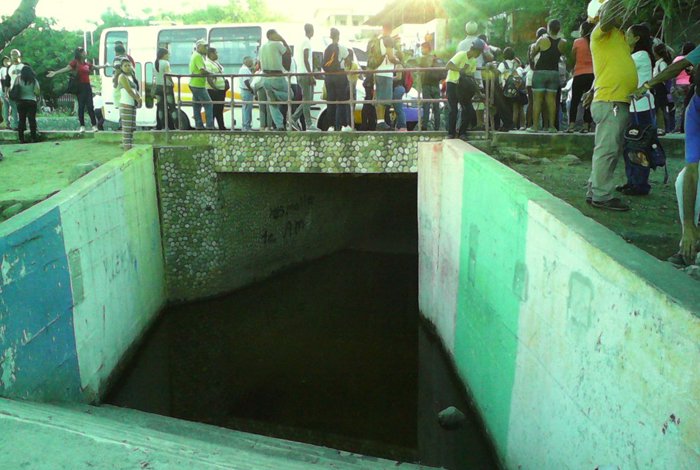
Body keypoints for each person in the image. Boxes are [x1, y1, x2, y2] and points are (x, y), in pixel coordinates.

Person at [633, 44, 700, 266]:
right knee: (684, 181)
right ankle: (690, 242)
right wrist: (689, 226)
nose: (691, 72)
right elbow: (692, 170)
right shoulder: (695, 109)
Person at [582, 0, 638, 211]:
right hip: (610, 100)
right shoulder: (600, 32)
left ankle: (594, 190)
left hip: (613, 99)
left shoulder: (617, 35)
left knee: (606, 149)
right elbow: (608, 16)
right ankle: (601, 195)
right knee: (608, 150)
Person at [618, 23, 656, 196]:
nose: (625, 37)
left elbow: (622, 67)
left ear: (637, 38)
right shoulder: (638, 55)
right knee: (631, 144)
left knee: (639, 145)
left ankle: (640, 184)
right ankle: (632, 181)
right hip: (635, 107)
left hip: (641, 108)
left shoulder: (640, 56)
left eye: (628, 34)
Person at [47, 47, 109, 132]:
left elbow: (96, 67)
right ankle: (82, 126)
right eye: (83, 52)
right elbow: (67, 68)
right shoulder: (75, 62)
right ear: (80, 53)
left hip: (87, 86)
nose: (85, 53)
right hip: (80, 87)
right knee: (81, 106)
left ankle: (94, 125)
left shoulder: (87, 64)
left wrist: (105, 66)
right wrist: (55, 72)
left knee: (90, 106)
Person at [529, 19, 567, 133]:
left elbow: (533, 54)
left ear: (548, 28)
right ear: (559, 29)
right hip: (554, 73)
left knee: (537, 100)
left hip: (540, 72)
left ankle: (535, 126)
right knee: (551, 101)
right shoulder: (563, 42)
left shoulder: (542, 39)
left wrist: (533, 50)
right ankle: (552, 127)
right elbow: (564, 56)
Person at [446, 38, 484, 139]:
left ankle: (462, 132)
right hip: (453, 83)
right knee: (453, 110)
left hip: (463, 87)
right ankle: (451, 133)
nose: (479, 55)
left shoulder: (473, 61)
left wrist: (478, 92)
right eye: (479, 52)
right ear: (474, 50)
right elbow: (448, 65)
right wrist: (460, 70)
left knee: (468, 109)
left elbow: (471, 77)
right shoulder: (461, 54)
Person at [259, 29, 292, 131]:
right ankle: (276, 95)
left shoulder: (262, 47)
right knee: (291, 95)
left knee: (272, 103)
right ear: (271, 35)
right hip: (277, 76)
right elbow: (289, 52)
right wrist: (282, 39)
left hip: (265, 78)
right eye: (276, 34)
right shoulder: (277, 44)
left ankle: (279, 126)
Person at [322, 28, 351, 131]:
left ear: (331, 36)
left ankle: (331, 125)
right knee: (341, 101)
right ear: (338, 36)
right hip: (339, 76)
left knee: (331, 101)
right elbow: (348, 62)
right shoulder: (342, 48)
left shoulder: (327, 49)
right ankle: (341, 125)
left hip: (329, 77)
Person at [290, 24, 318, 131]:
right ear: (312, 31)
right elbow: (306, 59)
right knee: (307, 100)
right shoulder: (306, 42)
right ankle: (309, 124)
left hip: (300, 73)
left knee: (308, 100)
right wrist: (311, 74)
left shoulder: (299, 42)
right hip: (305, 74)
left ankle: (294, 118)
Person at [374, 23, 401, 130]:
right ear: (391, 29)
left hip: (378, 71)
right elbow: (390, 56)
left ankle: (380, 122)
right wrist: (398, 61)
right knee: (384, 99)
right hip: (386, 72)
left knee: (380, 98)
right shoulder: (389, 40)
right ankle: (380, 123)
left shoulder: (380, 40)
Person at [569, 21, 595, 133]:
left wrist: (572, 68)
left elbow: (572, 57)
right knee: (589, 101)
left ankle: (571, 126)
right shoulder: (595, 42)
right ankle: (586, 126)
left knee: (574, 100)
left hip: (579, 74)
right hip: (593, 74)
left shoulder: (577, 42)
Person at [498, 47, 526, 130]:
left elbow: (498, 72)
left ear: (504, 56)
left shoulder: (503, 64)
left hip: (506, 89)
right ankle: (520, 125)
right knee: (517, 107)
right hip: (517, 89)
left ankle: (510, 125)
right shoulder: (517, 64)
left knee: (507, 108)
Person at [188, 39, 214, 130]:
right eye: (204, 46)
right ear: (198, 47)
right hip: (198, 85)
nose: (206, 48)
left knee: (197, 105)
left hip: (194, 83)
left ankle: (199, 125)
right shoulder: (198, 56)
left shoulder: (195, 55)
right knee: (209, 104)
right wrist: (211, 73)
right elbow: (202, 70)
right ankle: (210, 125)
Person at [671, 42, 696, 133]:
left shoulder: (678, 59)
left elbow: (673, 72)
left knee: (678, 107)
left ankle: (678, 127)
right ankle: (688, 126)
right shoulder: (692, 59)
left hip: (678, 85)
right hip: (690, 85)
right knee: (690, 107)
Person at [116, 59, 141, 150]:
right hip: (125, 104)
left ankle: (129, 146)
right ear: (121, 67)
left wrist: (138, 98)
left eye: (129, 65)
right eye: (125, 66)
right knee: (126, 129)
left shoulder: (132, 76)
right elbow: (129, 90)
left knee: (131, 128)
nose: (127, 67)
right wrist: (137, 98)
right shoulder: (122, 76)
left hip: (132, 104)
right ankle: (127, 147)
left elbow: (135, 89)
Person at [525, 27, 547, 128]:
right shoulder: (547, 47)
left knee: (531, 102)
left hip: (530, 75)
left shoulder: (531, 46)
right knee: (543, 103)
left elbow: (529, 61)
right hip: (541, 76)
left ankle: (528, 124)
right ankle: (545, 125)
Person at [419, 41, 443, 131]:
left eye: (422, 48)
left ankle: (424, 126)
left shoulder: (424, 59)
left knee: (426, 106)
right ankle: (437, 127)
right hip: (436, 85)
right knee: (436, 108)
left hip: (426, 85)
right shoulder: (436, 58)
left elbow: (418, 68)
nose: (421, 50)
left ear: (427, 48)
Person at [15, 65, 40, 143]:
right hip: (31, 101)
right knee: (32, 119)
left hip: (21, 102)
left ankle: (21, 139)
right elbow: (37, 92)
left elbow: (14, 89)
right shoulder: (33, 80)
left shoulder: (18, 79)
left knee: (21, 120)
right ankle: (33, 138)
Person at [652, 43, 673, 135]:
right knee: (659, 108)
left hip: (660, 87)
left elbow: (665, 76)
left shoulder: (662, 63)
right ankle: (662, 127)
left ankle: (664, 128)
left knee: (661, 109)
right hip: (657, 87)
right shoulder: (658, 63)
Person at [154, 47, 176, 130]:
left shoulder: (155, 63)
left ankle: (163, 126)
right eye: (168, 54)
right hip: (166, 87)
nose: (169, 56)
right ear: (164, 55)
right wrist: (172, 82)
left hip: (158, 87)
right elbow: (168, 75)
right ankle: (175, 125)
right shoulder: (166, 63)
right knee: (172, 107)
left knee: (160, 108)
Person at [206, 47, 228, 130]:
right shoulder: (208, 63)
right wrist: (214, 88)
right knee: (215, 109)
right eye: (216, 53)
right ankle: (211, 126)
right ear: (211, 54)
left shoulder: (216, 63)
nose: (217, 54)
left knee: (220, 109)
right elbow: (209, 77)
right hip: (213, 90)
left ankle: (221, 126)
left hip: (221, 89)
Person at [7, 49, 25, 131]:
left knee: (22, 109)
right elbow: (7, 81)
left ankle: (23, 125)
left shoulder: (24, 66)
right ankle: (15, 125)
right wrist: (6, 91)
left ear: (19, 55)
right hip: (13, 90)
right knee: (14, 108)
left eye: (15, 54)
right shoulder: (10, 68)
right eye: (12, 54)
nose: (14, 56)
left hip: (22, 90)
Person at [238, 56, 255, 131]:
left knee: (246, 108)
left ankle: (246, 126)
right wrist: (251, 89)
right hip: (246, 91)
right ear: (246, 62)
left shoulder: (245, 69)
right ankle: (246, 126)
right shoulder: (244, 69)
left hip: (246, 91)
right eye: (251, 61)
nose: (252, 63)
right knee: (247, 109)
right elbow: (246, 81)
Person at [392, 63, 407, 131]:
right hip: (400, 88)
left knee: (398, 109)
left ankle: (402, 126)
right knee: (397, 108)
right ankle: (398, 126)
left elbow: (398, 77)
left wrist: (389, 78)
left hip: (398, 88)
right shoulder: (400, 65)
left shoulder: (398, 65)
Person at [0, 56, 11, 129]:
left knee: (7, 107)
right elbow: (3, 80)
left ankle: (7, 122)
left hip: (5, 90)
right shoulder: (3, 69)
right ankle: (8, 122)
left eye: (7, 61)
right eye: (5, 61)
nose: (6, 62)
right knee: (8, 107)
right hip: (5, 90)